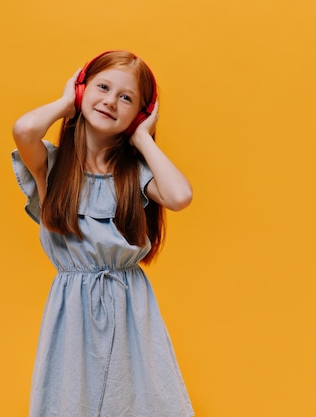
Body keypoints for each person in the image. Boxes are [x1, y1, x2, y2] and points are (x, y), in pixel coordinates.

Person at [11, 50, 194, 417]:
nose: (111, 101)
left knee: (136, 399)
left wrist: (143, 139)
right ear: (82, 90)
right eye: (103, 87)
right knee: (71, 400)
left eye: (126, 98)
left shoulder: (133, 175)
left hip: (129, 306)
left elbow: (180, 196)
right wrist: (66, 103)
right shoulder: (53, 166)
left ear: (139, 114)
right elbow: (25, 130)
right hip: (72, 310)